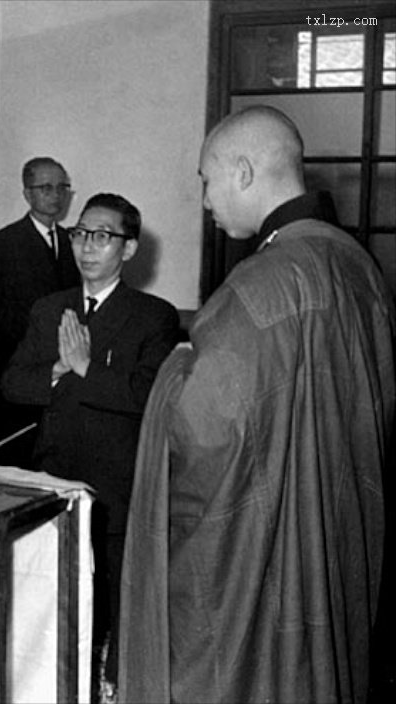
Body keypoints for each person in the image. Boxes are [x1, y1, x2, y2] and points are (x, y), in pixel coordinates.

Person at [118, 105, 395, 703]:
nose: (207, 201)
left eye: (206, 180)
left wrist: (175, 368)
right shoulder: (359, 266)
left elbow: (204, 431)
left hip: (268, 555)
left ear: (243, 172)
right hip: (338, 527)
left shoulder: (263, 281)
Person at [1, 192, 179, 696]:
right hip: (54, 479)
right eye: (81, 234)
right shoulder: (49, 308)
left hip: (118, 485)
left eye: (103, 236)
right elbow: (13, 384)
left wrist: (83, 369)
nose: (88, 246)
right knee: (54, 605)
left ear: (128, 249)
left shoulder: (154, 316)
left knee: (118, 609)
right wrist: (58, 368)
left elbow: (148, 396)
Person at [0, 157, 81, 466]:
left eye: (62, 187)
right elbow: (1, 313)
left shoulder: (72, 241)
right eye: (46, 187)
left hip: (66, 364)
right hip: (24, 363)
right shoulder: (5, 242)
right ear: (27, 194)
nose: (55, 195)